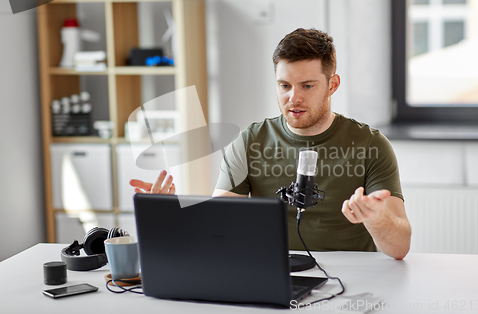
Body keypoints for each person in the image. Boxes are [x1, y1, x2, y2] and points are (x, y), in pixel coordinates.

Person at [130, 28, 411, 260]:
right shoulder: (250, 141)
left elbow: (399, 248)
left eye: (307, 86)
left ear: (332, 85)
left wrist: (375, 218)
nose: (293, 98)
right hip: (272, 273)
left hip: (353, 279)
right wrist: (166, 213)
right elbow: (218, 227)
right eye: (284, 85)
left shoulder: (370, 144)